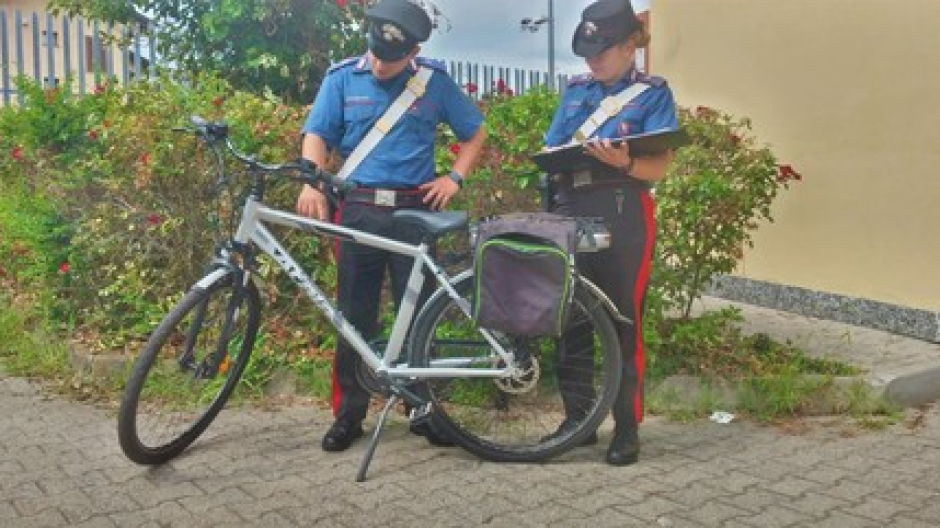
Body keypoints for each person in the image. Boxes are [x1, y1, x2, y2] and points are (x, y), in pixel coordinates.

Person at [296, 0, 486, 453]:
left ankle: (422, 410)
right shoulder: (342, 77)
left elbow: (475, 133)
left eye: (393, 58)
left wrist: (454, 177)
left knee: (417, 316)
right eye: (377, 54)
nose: (381, 65)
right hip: (359, 208)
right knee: (354, 315)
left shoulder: (433, 83)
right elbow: (317, 134)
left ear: (414, 50)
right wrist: (312, 183)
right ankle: (349, 415)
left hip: (413, 212)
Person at [542, 0, 678, 466]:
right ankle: (578, 421)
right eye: (587, 51)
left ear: (628, 46)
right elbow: (552, 146)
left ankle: (626, 426)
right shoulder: (575, 91)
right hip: (571, 207)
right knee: (571, 319)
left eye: (602, 50)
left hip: (622, 210)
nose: (592, 60)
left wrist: (626, 162)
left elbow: (659, 164)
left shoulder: (652, 94)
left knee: (623, 323)